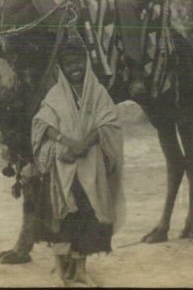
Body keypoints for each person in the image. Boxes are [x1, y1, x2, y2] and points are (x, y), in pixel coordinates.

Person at [31, 39, 125, 287]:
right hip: (64, 167)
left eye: (78, 62)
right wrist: (66, 142)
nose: (75, 68)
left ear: (86, 63)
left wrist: (85, 142)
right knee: (63, 217)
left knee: (88, 215)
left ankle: (81, 270)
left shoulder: (98, 92)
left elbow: (109, 122)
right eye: (69, 63)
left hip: (90, 164)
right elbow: (42, 123)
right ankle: (62, 272)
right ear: (62, 67)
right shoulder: (55, 94)